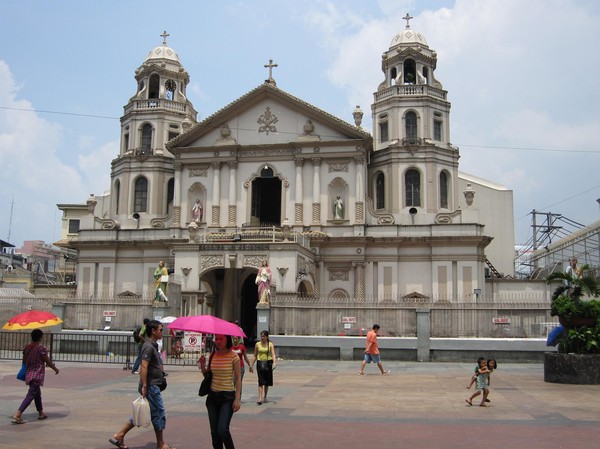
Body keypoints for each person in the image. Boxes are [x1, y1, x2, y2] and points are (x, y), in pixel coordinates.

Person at [110, 320, 174, 449]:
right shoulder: (148, 346)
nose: (162, 332)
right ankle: (160, 444)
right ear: (153, 331)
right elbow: (143, 366)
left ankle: (120, 435)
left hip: (153, 384)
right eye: (161, 330)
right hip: (150, 386)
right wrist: (145, 386)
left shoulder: (153, 345)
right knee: (159, 413)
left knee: (145, 412)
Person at [198, 334, 241, 449]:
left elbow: (237, 378)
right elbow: (208, 375)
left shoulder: (234, 356)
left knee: (222, 430)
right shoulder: (213, 355)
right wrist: (202, 365)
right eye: (216, 339)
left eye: (221, 339)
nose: (218, 341)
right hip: (212, 398)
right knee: (215, 434)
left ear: (227, 340)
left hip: (227, 397)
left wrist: (237, 399)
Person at [11, 329, 59, 424]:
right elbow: (47, 361)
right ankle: (18, 414)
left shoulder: (27, 347)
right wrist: (55, 369)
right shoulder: (41, 349)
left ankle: (41, 412)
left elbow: (24, 361)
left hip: (29, 374)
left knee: (37, 394)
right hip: (37, 375)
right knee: (31, 395)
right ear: (40, 337)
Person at [250, 330, 277, 404]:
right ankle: (260, 398)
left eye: (263, 336)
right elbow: (255, 355)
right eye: (261, 336)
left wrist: (274, 362)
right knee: (260, 381)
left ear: (267, 337)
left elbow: (273, 354)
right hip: (260, 363)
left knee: (267, 381)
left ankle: (265, 396)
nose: (262, 338)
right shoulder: (257, 344)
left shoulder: (270, 344)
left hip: (268, 363)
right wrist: (251, 365)